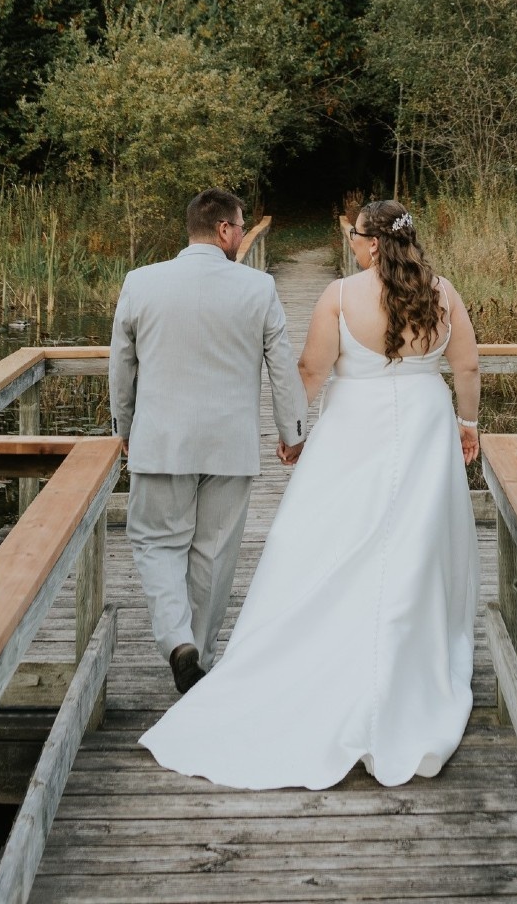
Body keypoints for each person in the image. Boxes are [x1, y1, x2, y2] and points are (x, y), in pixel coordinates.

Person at [140, 198, 482, 788]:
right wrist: (468, 426)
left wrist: (293, 436)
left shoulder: (340, 297)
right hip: (427, 427)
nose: (349, 242)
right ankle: (411, 666)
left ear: (373, 243)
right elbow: (468, 366)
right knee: (416, 549)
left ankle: (330, 659)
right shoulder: (443, 294)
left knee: (334, 540)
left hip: (354, 431)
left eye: (354, 235)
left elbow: (310, 370)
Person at [109, 187, 308, 694]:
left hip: (162, 439)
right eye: (241, 227)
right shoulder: (258, 289)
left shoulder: (141, 283)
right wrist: (293, 434)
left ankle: (178, 642)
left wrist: (125, 427)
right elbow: (282, 366)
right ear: (224, 230)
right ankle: (200, 651)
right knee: (215, 553)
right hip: (230, 444)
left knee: (156, 542)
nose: (243, 236)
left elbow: (121, 367)